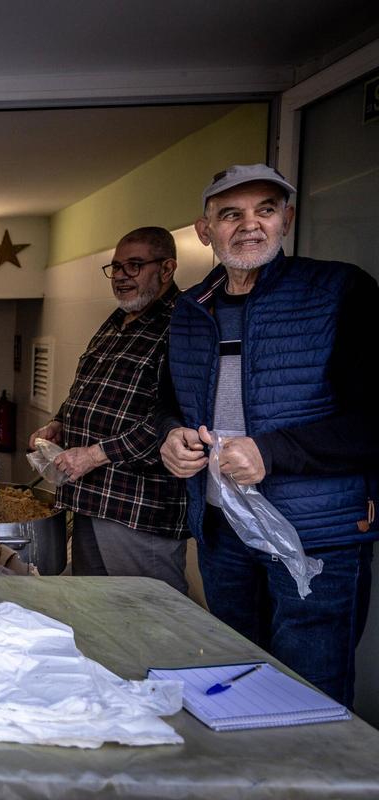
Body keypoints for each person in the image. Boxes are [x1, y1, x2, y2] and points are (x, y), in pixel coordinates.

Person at [159, 164, 379, 706]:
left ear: (288, 219)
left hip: (314, 536)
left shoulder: (338, 290)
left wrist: (273, 451)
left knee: (309, 692)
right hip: (222, 527)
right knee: (235, 680)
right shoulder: (190, 308)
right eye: (230, 214)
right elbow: (170, 400)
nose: (249, 226)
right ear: (205, 230)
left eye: (265, 210)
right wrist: (171, 437)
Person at [29, 227, 189, 593]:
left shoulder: (181, 325)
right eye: (116, 267)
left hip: (138, 509)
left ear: (167, 269)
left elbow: (172, 420)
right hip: (91, 498)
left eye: (134, 266)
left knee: (147, 617)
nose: (120, 276)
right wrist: (59, 422)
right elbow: (90, 387)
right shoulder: (117, 321)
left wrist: (95, 455)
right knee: (94, 612)